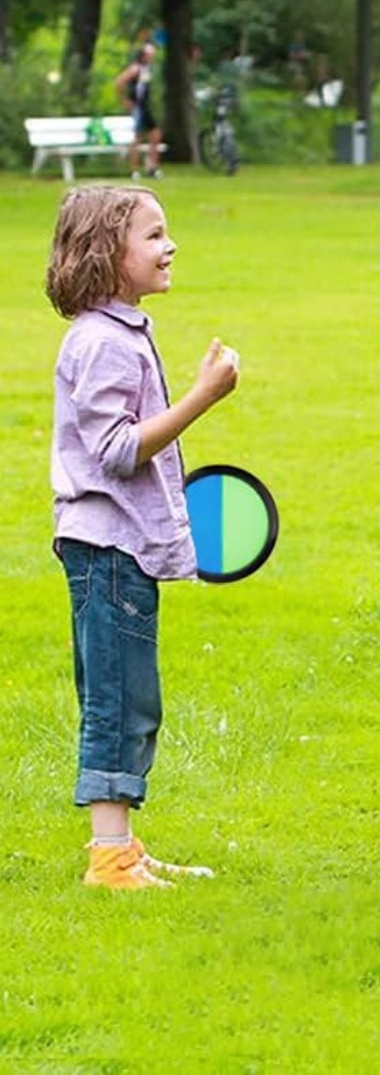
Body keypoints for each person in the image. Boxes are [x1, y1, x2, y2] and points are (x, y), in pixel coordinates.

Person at [46, 185, 240, 888]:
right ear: (108, 254)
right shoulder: (101, 342)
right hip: (106, 549)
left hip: (121, 547)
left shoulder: (121, 331)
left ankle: (122, 846)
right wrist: (202, 398)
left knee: (131, 694)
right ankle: (109, 859)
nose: (171, 246)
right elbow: (118, 452)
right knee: (117, 698)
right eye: (155, 235)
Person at [114, 42, 163, 179]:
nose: (151, 57)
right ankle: (134, 169)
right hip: (137, 106)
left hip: (146, 106)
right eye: (149, 55)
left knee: (155, 135)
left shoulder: (147, 69)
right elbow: (119, 82)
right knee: (136, 138)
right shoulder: (135, 68)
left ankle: (153, 167)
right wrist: (125, 100)